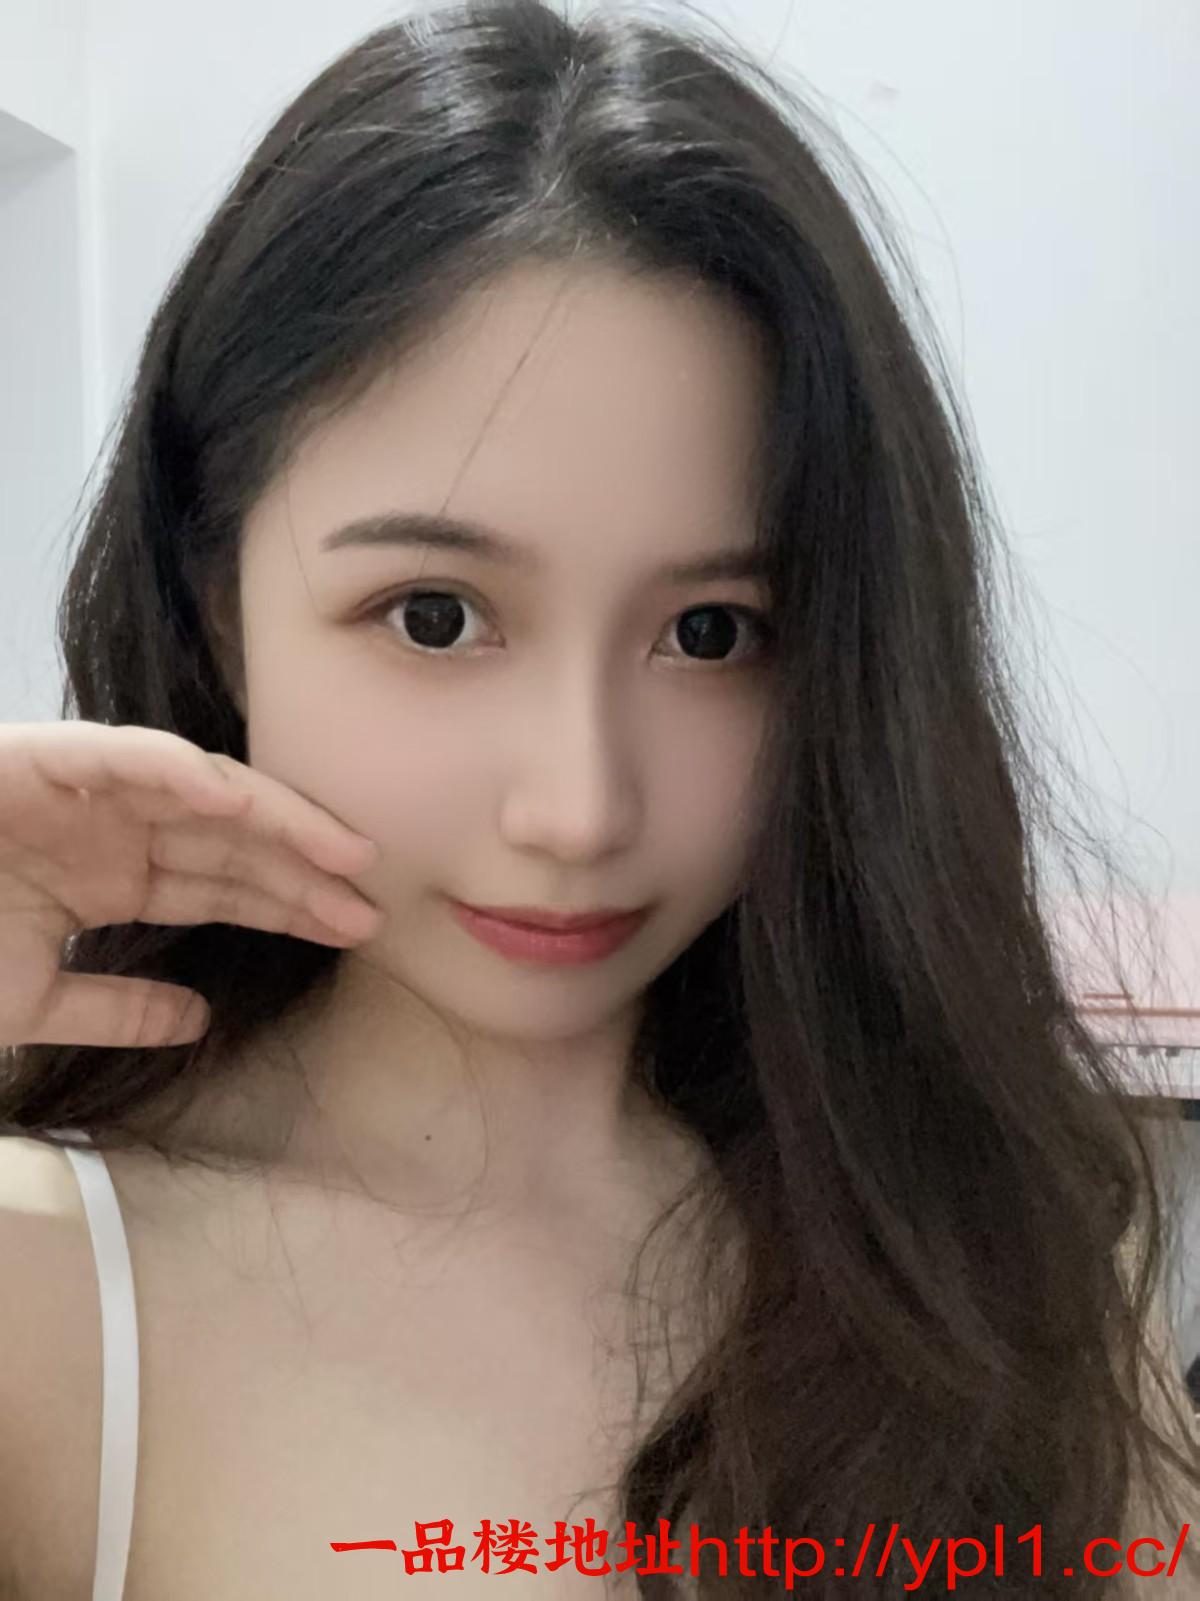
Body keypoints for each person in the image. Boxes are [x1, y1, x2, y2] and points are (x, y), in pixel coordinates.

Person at [0, 2, 1196, 1596]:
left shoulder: (997, 1245)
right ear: (219, 609)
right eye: (436, 616)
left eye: (713, 633)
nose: (581, 807)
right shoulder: (49, 1293)